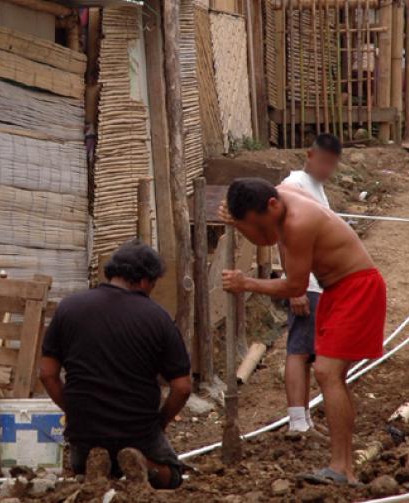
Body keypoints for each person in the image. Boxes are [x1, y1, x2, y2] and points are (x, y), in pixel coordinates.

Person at [220, 178, 386, 486]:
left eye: (257, 221)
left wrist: (247, 283)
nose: (260, 228)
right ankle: (343, 466)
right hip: (338, 289)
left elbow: (295, 286)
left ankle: (341, 468)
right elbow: (268, 237)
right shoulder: (279, 199)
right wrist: (241, 224)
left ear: (271, 205)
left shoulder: (298, 222)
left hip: (357, 289)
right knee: (332, 375)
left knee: (327, 372)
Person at [39, 241, 192, 489]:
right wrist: (159, 424)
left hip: (85, 434)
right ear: (145, 281)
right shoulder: (158, 318)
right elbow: (183, 387)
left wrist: (74, 411)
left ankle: (95, 467)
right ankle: (143, 465)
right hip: (138, 432)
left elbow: (47, 374)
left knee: (84, 465)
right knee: (173, 475)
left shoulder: (68, 308)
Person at [279, 133, 341, 435]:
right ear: (309, 155)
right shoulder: (294, 185)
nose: (326, 169)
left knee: (310, 352)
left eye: (332, 164)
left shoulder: (317, 188)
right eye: (323, 162)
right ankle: (297, 421)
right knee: (299, 351)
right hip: (307, 284)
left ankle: (305, 419)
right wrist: (297, 287)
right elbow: (285, 239)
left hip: (320, 285)